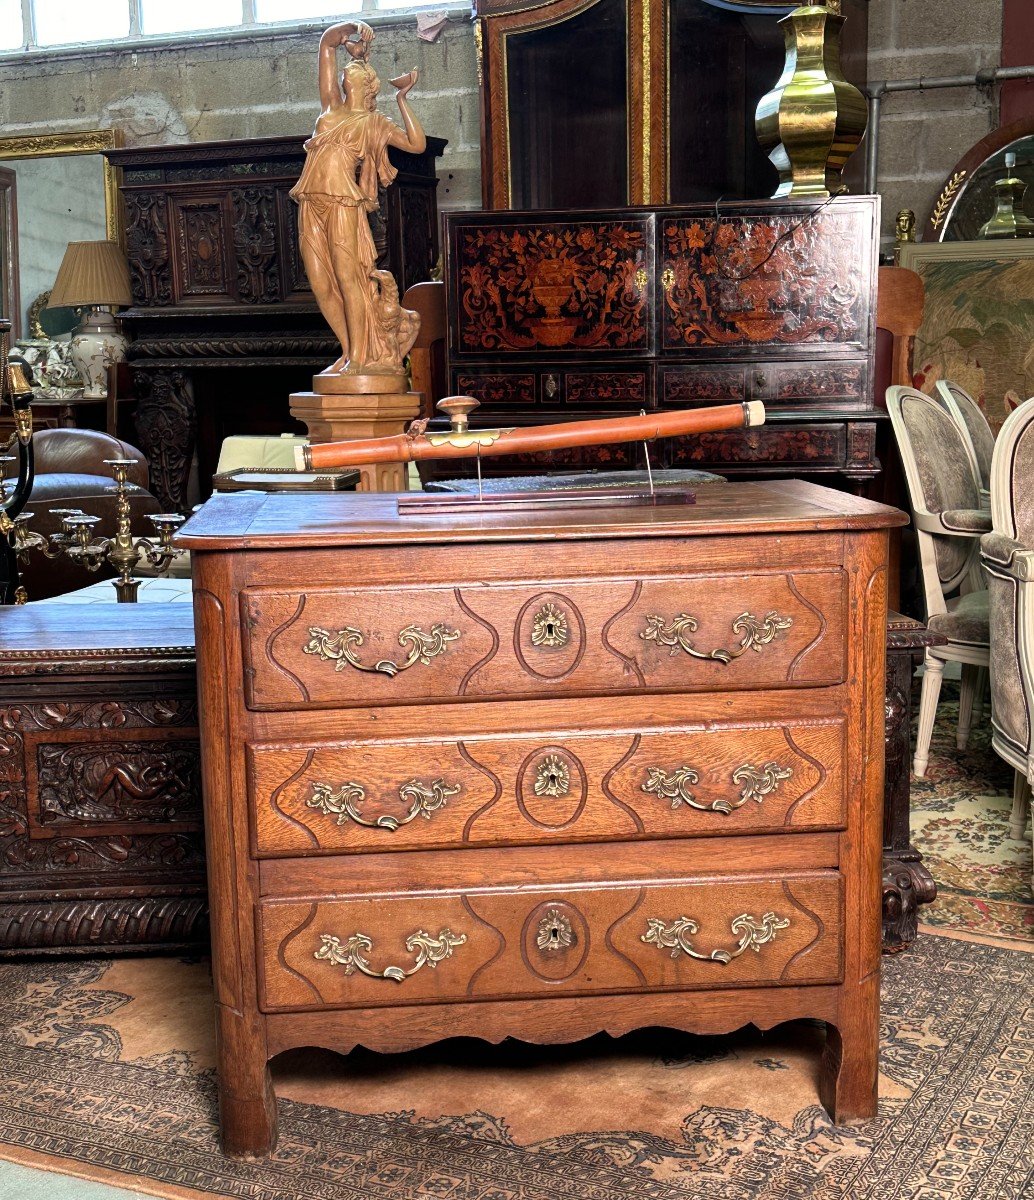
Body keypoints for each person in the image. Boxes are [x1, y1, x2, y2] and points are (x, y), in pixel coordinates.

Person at [291, 22, 425, 378]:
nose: (345, 74)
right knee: (321, 283)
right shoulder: (329, 110)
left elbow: (416, 145)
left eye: (355, 73)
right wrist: (351, 30)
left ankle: (360, 359)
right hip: (310, 203)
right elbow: (326, 45)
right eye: (347, 71)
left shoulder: (373, 123)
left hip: (343, 205)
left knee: (351, 280)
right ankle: (349, 351)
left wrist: (402, 99)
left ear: (366, 86)